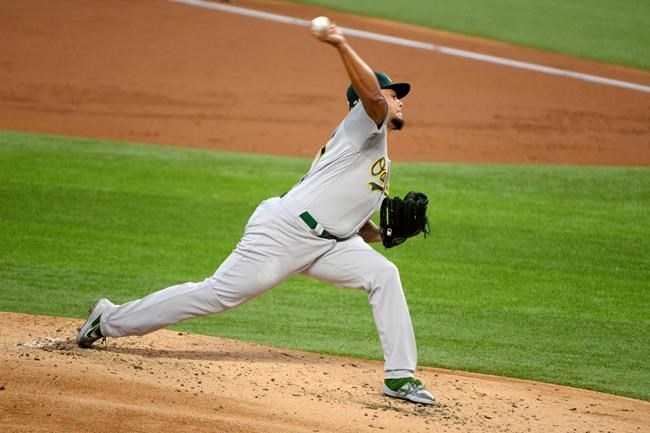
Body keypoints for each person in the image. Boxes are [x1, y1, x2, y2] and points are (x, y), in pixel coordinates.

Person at [77, 21, 435, 405]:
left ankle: (399, 377)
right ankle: (108, 319)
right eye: (392, 93)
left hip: (329, 243)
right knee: (215, 295)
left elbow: (353, 223)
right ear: (365, 102)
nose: (399, 100)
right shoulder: (364, 122)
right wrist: (340, 43)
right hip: (283, 233)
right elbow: (373, 98)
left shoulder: (370, 156)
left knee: (383, 274)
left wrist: (384, 235)